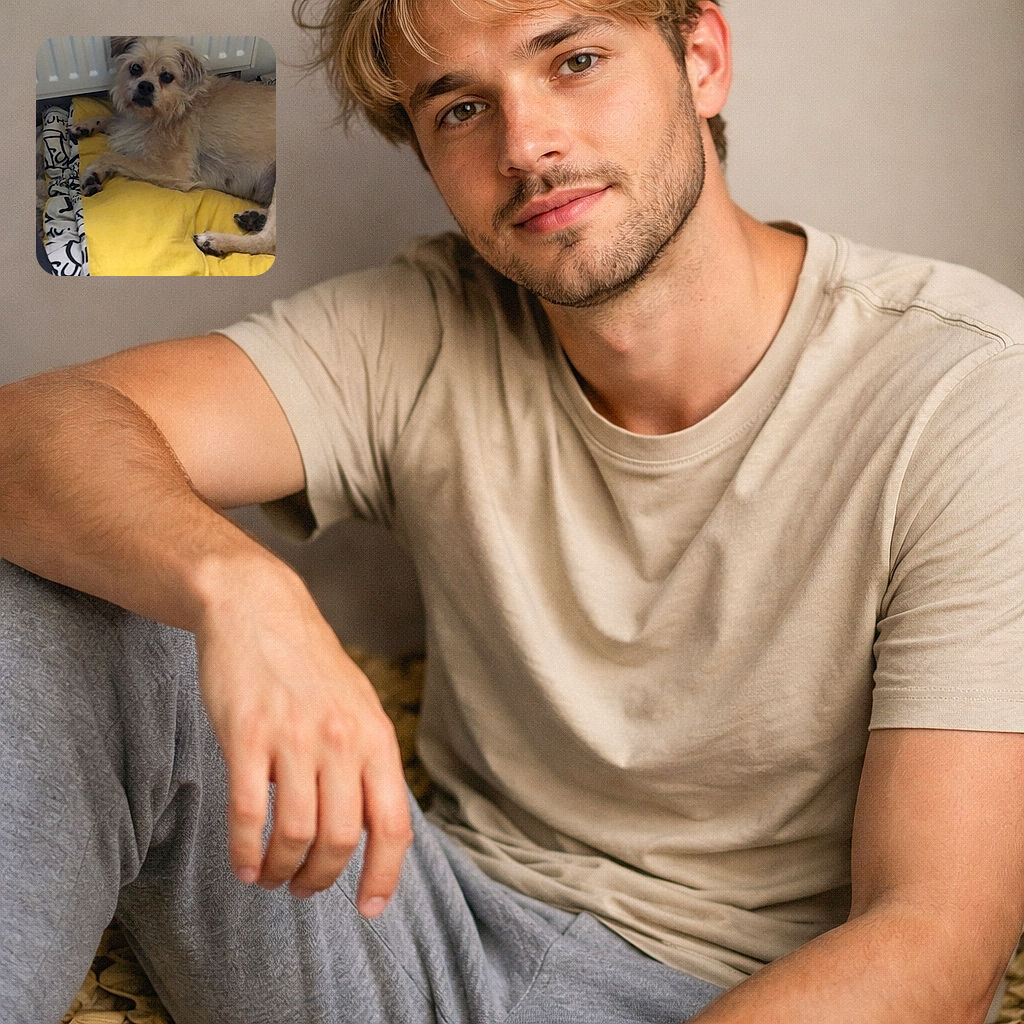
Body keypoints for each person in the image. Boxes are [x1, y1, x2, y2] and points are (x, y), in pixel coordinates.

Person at [2, 0, 1024, 1020]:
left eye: (575, 60)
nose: (526, 145)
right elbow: (34, 431)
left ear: (701, 61)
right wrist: (238, 587)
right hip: (417, 924)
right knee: (66, 570)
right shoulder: (424, 325)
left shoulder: (962, 385)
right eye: (458, 109)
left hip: (735, 993)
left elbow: (937, 937)